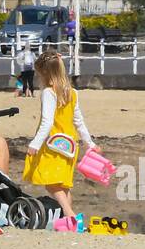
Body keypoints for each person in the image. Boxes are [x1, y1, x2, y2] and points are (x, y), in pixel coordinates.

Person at [23, 51, 98, 220]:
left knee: (51, 183)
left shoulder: (49, 93)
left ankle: (70, 216)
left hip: (53, 144)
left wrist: (35, 144)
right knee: (63, 186)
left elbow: (47, 122)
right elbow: (78, 120)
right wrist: (90, 143)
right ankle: (67, 220)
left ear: (43, 73)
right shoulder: (72, 92)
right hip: (70, 144)